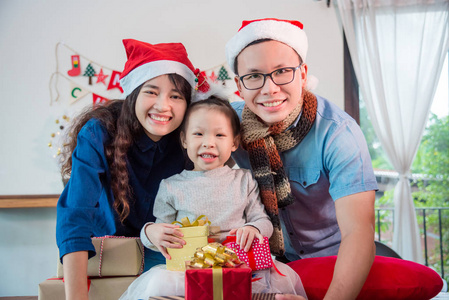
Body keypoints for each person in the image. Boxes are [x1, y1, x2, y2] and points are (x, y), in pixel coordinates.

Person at [225, 18, 378, 299]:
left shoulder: (338, 132)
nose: (270, 89)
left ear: (303, 74)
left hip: (332, 265)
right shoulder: (226, 124)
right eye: (254, 76)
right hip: (265, 265)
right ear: (239, 85)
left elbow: (359, 231)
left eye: (282, 71)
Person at [120, 97, 307, 299]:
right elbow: (159, 234)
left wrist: (253, 228)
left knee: (263, 284)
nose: (208, 143)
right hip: (190, 269)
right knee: (159, 285)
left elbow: (264, 222)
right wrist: (151, 232)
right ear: (184, 140)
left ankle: (261, 296)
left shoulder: (243, 179)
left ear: (234, 142)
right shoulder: (171, 186)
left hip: (239, 265)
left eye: (219, 135)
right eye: (198, 134)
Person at [56, 39, 198, 300]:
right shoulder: (99, 133)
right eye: (151, 91)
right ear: (133, 93)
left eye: (176, 96)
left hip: (164, 264)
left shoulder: (191, 139)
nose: (163, 106)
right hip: (107, 262)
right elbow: (75, 213)